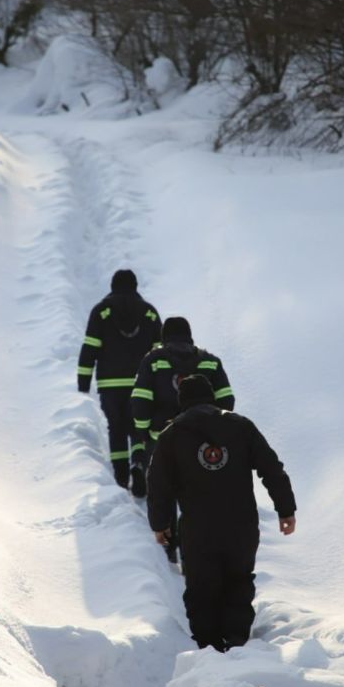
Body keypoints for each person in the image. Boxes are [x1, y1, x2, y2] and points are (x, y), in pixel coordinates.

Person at [147, 374, 296, 653]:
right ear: (212, 396)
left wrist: (160, 523)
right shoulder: (241, 426)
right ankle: (237, 640)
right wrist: (285, 509)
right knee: (238, 579)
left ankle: (208, 647)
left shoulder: (172, 435)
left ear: (182, 401)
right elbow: (271, 468)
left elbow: (157, 484)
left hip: (197, 527)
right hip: (241, 524)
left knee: (201, 585)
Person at [131, 316, 234, 552]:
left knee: (163, 493)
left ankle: (169, 549)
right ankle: (195, 551)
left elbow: (140, 400)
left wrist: (143, 431)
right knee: (196, 497)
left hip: (161, 440)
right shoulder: (210, 362)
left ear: (164, 336)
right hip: (201, 443)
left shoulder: (153, 360)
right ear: (189, 335)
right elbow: (227, 399)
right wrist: (216, 428)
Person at [77, 270, 161, 493]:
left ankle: (121, 477)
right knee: (139, 428)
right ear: (135, 286)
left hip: (109, 384)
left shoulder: (101, 312)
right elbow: (159, 352)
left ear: (113, 286)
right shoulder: (149, 313)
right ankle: (139, 463)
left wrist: (83, 381)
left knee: (116, 428)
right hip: (140, 384)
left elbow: (90, 346)